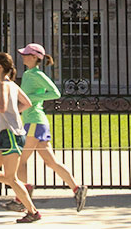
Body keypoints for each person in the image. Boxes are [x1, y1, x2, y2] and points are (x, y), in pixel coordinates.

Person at [14, 43, 87, 211]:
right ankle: (77, 189)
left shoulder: (35, 74)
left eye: (26, 54)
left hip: (34, 121)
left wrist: (32, 98)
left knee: (21, 160)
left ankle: (21, 199)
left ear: (34, 58)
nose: (23, 56)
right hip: (36, 122)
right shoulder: (28, 74)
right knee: (51, 161)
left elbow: (55, 93)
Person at [0, 52, 39, 222]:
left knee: (11, 178)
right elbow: (27, 103)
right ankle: (22, 188)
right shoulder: (12, 85)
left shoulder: (4, 85)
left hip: (12, 135)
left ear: (0, 67)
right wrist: (13, 113)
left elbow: (2, 108)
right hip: (7, 136)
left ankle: (32, 211)